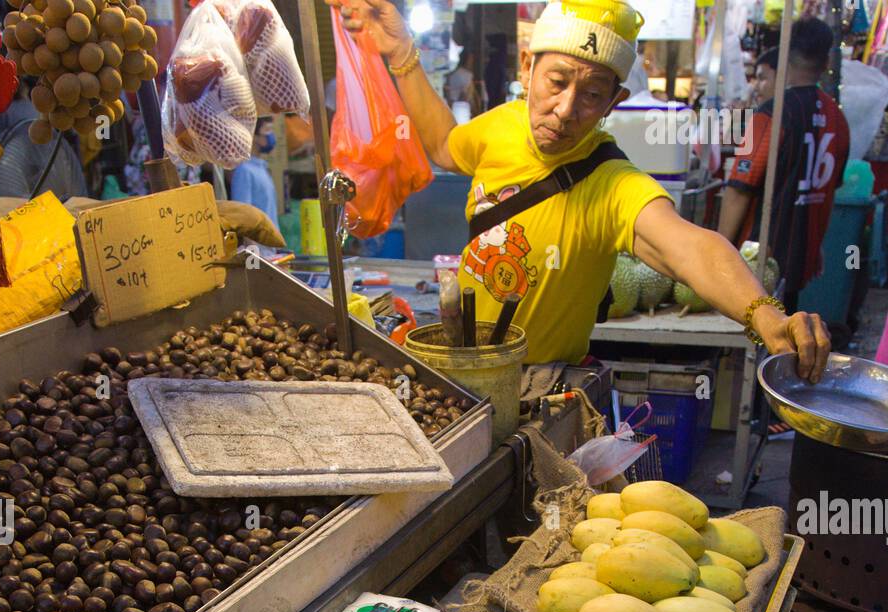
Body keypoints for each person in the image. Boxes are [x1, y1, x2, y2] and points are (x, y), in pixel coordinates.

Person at [329, 0, 831, 382]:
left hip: (537, 384)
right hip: (460, 371)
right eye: (556, 81)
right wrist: (402, 55)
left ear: (613, 102)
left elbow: (688, 248)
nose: (567, 109)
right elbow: (442, 145)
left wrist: (765, 316)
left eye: (591, 95)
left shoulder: (612, 183)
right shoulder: (498, 128)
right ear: (528, 67)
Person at [718, 17, 850, 312]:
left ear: (785, 54)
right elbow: (831, 189)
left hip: (759, 261)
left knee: (750, 345)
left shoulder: (770, 115)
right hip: (799, 261)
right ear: (827, 59)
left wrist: (718, 256)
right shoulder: (838, 120)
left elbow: (739, 189)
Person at [229, 119, 280, 230]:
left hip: (270, 246)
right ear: (253, 135)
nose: (271, 135)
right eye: (267, 130)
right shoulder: (244, 171)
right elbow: (243, 217)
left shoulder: (262, 169)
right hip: (258, 246)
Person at [444, 47, 478, 114]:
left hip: (449, 108)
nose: (473, 62)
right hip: (461, 110)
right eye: (471, 59)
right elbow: (469, 98)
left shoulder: (450, 74)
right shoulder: (467, 75)